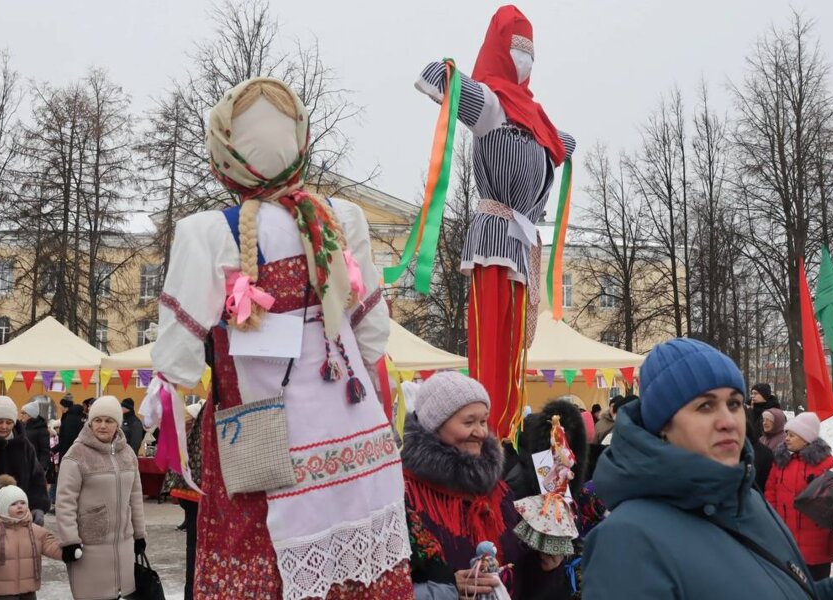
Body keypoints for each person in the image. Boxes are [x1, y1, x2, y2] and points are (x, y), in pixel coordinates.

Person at [147, 76, 410, 599]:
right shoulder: (344, 218)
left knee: (260, 559)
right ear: (301, 144)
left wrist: (165, 413)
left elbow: (176, 357)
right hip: (355, 436)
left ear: (223, 154)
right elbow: (374, 337)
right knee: (358, 570)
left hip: (261, 437)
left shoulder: (206, 232)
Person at [581, 337, 833, 599]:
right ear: (663, 424)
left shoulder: (745, 498)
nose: (728, 421)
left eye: (734, 403)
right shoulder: (628, 540)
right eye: (705, 406)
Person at [414, 5, 576, 439]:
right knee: (492, 342)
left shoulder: (535, 117)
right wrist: (452, 76)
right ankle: (488, 430)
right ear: (500, 51)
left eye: (531, 52)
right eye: (516, 49)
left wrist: (561, 143)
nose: (524, 60)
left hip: (522, 244)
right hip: (495, 238)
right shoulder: (491, 103)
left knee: (514, 350)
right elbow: (431, 76)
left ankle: (507, 431)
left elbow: (564, 144)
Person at [403, 372, 567, 599]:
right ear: (435, 424)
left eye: (483, 421)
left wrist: (545, 567)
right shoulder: (406, 495)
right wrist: (449, 587)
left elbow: (519, 576)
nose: (480, 432)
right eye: (469, 422)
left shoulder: (498, 491)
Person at [55, 395, 146, 600]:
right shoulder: (77, 454)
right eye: (97, 420)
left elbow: (135, 496)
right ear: (90, 422)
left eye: (109, 421)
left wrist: (139, 534)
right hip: (89, 547)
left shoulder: (128, 454)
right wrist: (69, 540)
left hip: (122, 544)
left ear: (117, 424)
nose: (102, 426)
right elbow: (65, 501)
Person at [766, 412, 833, 581]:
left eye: (792, 435)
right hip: (786, 536)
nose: (787, 439)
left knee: (818, 587)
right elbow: (771, 491)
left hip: (816, 539)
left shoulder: (826, 463)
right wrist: (773, 517)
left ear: (806, 437)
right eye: (786, 434)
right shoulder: (780, 461)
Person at [0, 475, 62, 599]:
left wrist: (67, 551)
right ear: (3, 507)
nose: (20, 506)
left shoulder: (35, 530)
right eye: (14, 504)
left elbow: (51, 545)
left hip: (28, 589)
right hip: (2, 592)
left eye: (23, 503)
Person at [160, 402, 203, 600]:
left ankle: (192, 594)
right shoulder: (194, 442)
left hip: (193, 501)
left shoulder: (186, 442)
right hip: (198, 502)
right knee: (196, 553)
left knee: (194, 553)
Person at [0, 396, 50, 522]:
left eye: (9, 422)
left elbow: (37, 477)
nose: (4, 427)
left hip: (19, 516)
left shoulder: (25, 446)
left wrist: (38, 506)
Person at [20, 399, 52, 477]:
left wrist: (42, 468)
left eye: (24, 413)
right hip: (21, 466)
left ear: (31, 415)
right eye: (21, 413)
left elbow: (45, 450)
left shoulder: (41, 429)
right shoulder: (21, 427)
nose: (21, 415)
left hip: (34, 467)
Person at [56, 396, 85, 460]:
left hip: (68, 452)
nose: (60, 408)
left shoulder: (69, 418)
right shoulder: (78, 416)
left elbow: (67, 438)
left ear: (66, 407)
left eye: (61, 406)